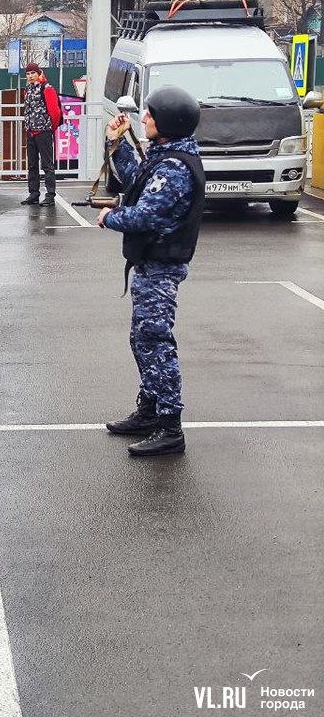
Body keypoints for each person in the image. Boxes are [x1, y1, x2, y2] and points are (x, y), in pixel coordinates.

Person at [97, 86, 205, 457]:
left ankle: (170, 425)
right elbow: (134, 180)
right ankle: (149, 410)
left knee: (156, 342)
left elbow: (146, 214)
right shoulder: (165, 157)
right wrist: (116, 142)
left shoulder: (175, 168)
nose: (144, 118)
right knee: (142, 340)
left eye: (151, 114)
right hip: (150, 264)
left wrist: (111, 217)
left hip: (162, 267)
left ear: (170, 121)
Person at [19, 62, 62, 206]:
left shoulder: (47, 88)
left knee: (47, 165)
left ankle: (50, 195)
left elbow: (55, 112)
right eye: (28, 74)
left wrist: (50, 128)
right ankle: (34, 193)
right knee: (32, 164)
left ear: (39, 74)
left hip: (43, 131)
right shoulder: (28, 89)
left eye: (33, 73)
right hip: (31, 131)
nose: (30, 76)